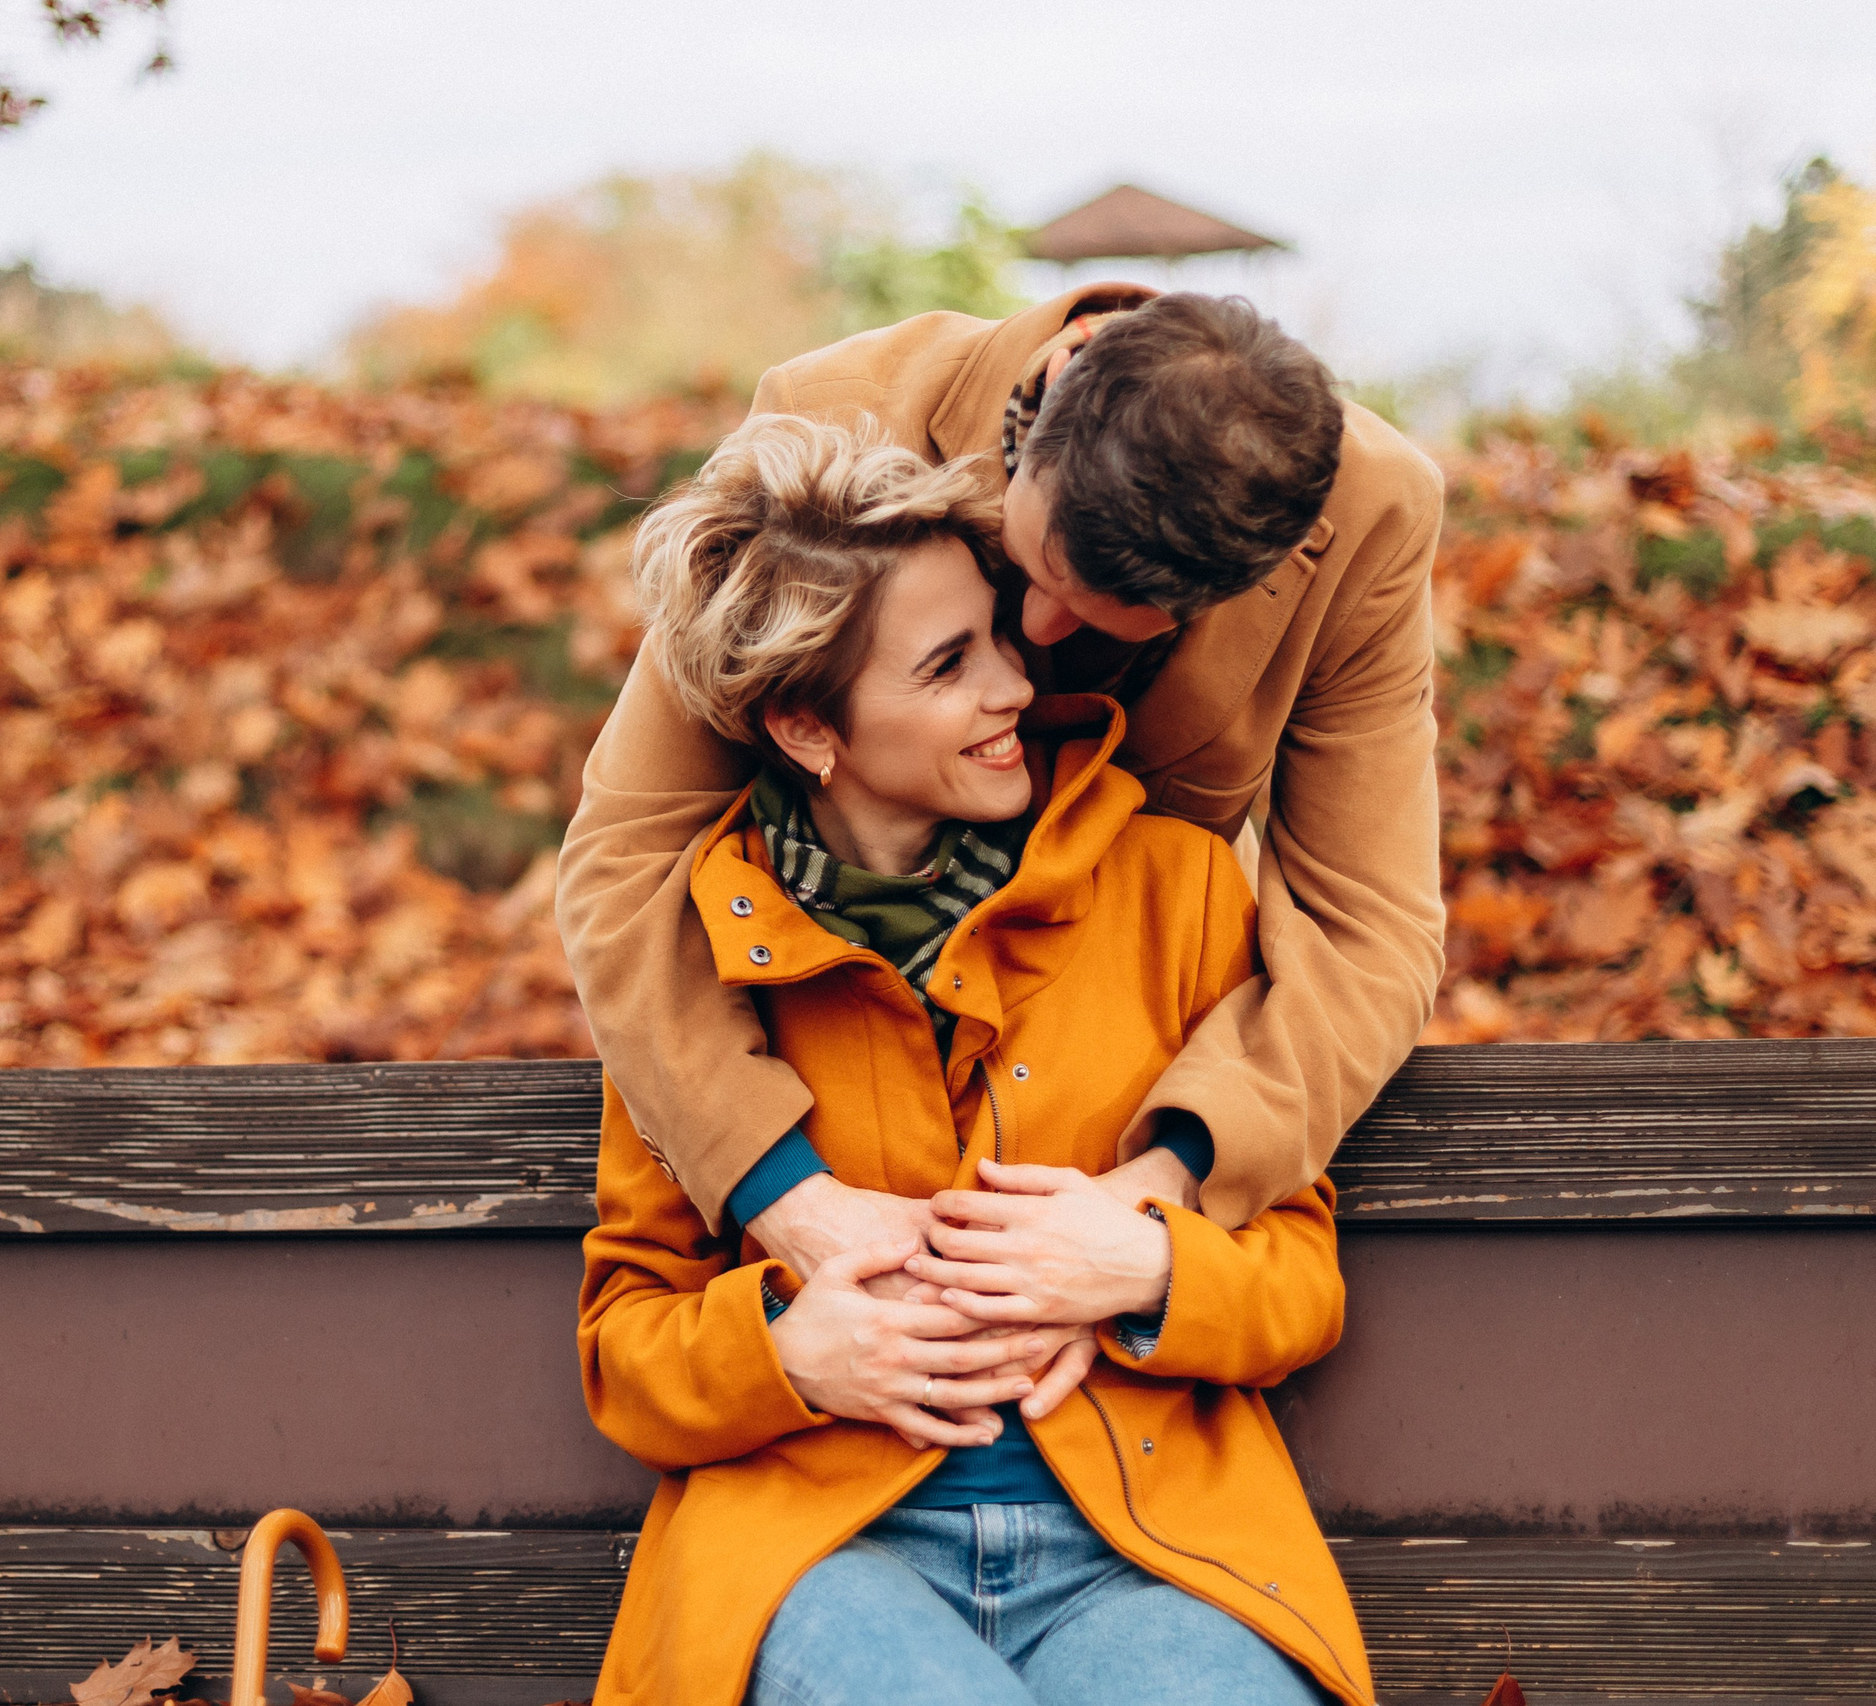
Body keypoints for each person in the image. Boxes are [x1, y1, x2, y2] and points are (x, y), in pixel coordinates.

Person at [577, 414, 1368, 1706]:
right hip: (823, 1551)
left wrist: (1152, 1262)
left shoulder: (1173, 887)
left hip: (1143, 1549)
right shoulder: (694, 959)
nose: (1012, 684)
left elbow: (1300, 1278)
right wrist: (792, 1349)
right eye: (948, 665)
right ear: (807, 727)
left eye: (996, 635)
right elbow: (626, 1344)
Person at [557, 289, 1446, 1370]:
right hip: (833, 1023)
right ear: (1043, 419)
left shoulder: (1373, 515)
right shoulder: (836, 420)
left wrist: (1151, 1202)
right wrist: (786, 1199)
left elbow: (1371, 926)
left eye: (1100, 619)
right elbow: (628, 853)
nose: (1034, 642)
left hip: (1129, 1036)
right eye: (1024, 570)